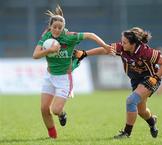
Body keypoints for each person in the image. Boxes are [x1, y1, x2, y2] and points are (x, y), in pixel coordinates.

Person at [75, 27, 162, 139]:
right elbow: (106, 50)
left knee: (131, 100)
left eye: (125, 42)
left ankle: (126, 133)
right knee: (141, 111)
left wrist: (155, 78)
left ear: (133, 44)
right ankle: (152, 121)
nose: (122, 44)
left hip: (150, 79)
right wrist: (85, 53)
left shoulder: (145, 51)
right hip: (136, 80)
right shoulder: (122, 48)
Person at [33, 4, 111, 139]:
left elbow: (91, 35)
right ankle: (52, 137)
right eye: (54, 27)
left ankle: (62, 113)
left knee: (55, 110)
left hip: (64, 78)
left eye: (60, 27)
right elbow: (35, 55)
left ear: (63, 28)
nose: (57, 30)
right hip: (49, 76)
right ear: (50, 27)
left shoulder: (70, 37)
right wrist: (49, 50)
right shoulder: (46, 36)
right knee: (44, 109)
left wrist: (104, 45)